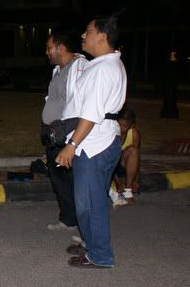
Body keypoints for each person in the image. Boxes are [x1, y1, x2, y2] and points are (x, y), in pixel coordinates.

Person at [56, 15, 127, 269]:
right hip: (98, 140)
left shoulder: (104, 69)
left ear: (102, 36)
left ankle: (100, 255)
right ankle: (91, 243)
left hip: (93, 143)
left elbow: (91, 114)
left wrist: (71, 145)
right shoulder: (103, 65)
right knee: (88, 200)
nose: (83, 36)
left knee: (90, 203)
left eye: (88, 31)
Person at [41, 31, 88, 231]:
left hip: (68, 132)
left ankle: (83, 225)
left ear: (60, 47)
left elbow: (84, 104)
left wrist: (69, 132)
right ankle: (68, 219)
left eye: (49, 48)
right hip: (53, 132)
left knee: (74, 180)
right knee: (59, 178)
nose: (46, 52)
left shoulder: (80, 68)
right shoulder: (58, 70)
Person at [110, 108, 141, 206]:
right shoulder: (111, 132)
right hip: (109, 166)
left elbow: (136, 158)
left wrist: (136, 181)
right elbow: (108, 160)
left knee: (133, 150)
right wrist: (118, 183)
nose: (121, 128)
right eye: (119, 124)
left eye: (124, 126)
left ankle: (128, 190)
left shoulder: (134, 134)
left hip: (123, 164)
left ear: (131, 126)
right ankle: (116, 183)